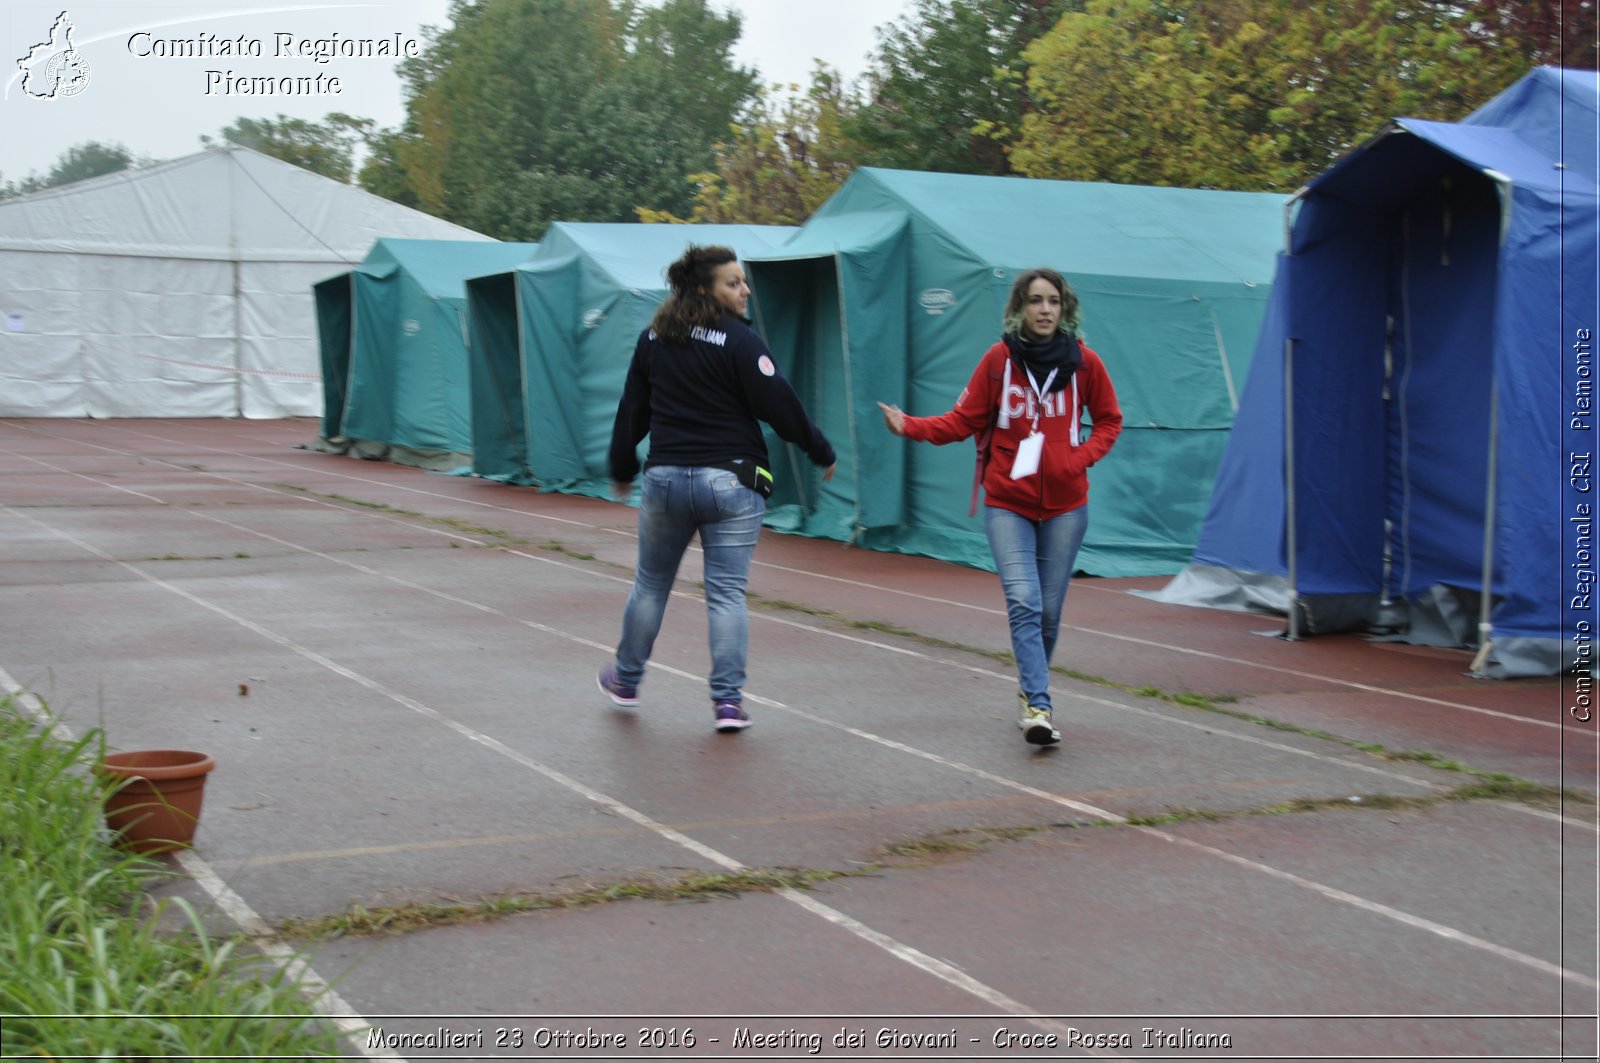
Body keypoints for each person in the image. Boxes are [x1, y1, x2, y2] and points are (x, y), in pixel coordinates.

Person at [878, 268, 1121, 746]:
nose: (1045, 309)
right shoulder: (998, 361)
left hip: (1067, 506)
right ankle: (1039, 704)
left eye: (1053, 301)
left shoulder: (1086, 363)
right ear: (1019, 309)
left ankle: (1032, 692)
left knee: (1049, 611)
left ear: (1065, 308)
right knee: (1024, 601)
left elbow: (1110, 421)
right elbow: (962, 420)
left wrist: (1078, 458)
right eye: (1035, 300)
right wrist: (910, 426)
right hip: (1007, 502)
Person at [599, 244, 837, 733]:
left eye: (744, 280)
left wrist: (622, 464)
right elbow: (781, 403)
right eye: (734, 282)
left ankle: (625, 680)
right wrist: (819, 448)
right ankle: (727, 703)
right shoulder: (740, 342)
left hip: (665, 481)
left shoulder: (654, 337)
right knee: (726, 595)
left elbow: (632, 410)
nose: (745, 290)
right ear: (706, 289)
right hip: (731, 483)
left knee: (650, 584)